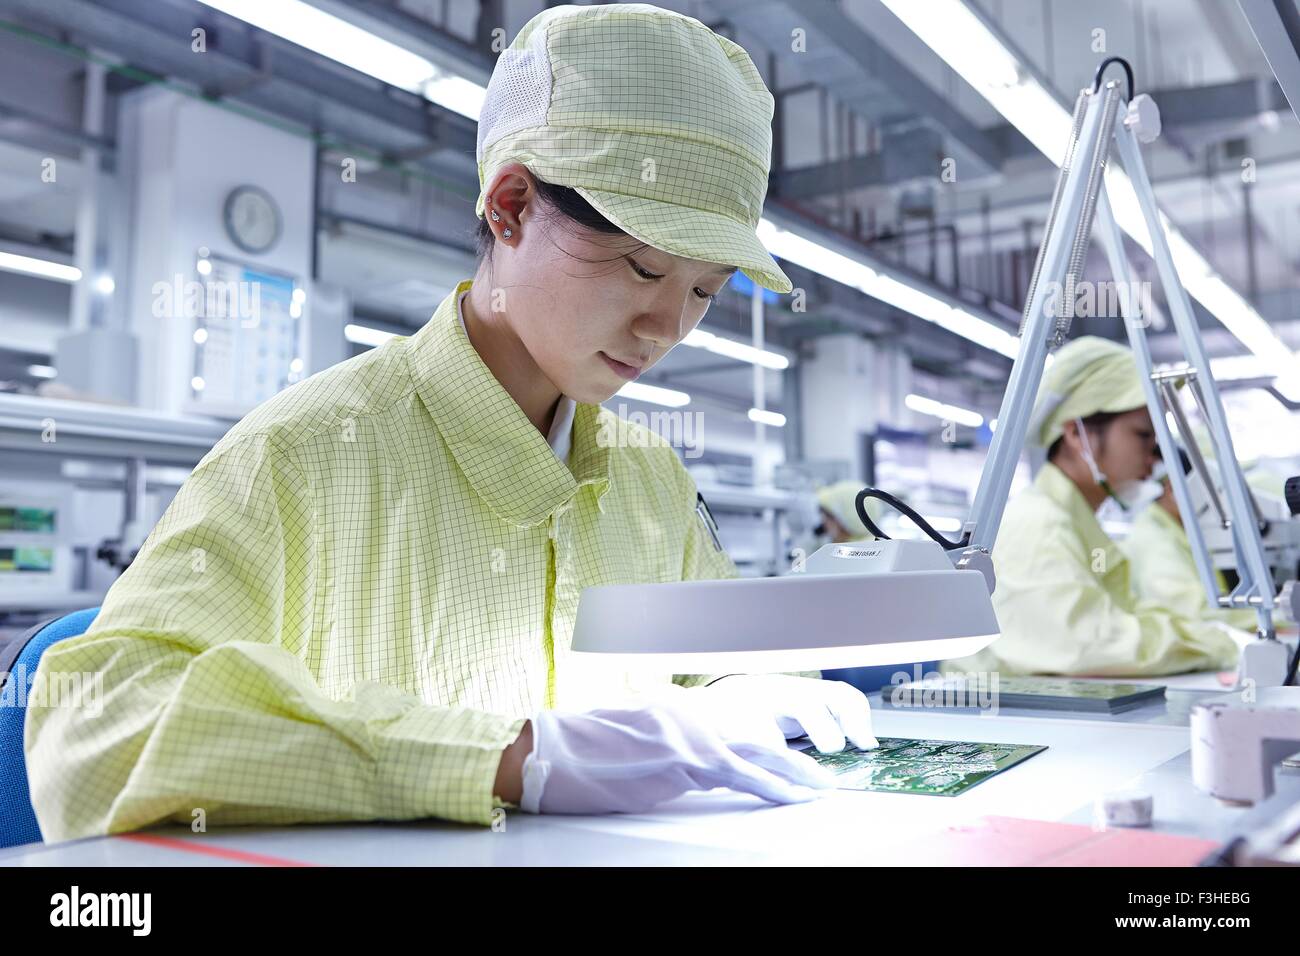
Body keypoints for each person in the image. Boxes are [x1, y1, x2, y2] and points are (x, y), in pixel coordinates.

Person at [25, 3, 876, 842]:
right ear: (509, 206)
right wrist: (509, 759)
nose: (667, 329)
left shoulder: (649, 480)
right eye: (642, 266)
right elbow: (94, 726)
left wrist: (741, 687)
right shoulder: (308, 454)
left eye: (703, 292)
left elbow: (724, 655)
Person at [947, 336, 1242, 677]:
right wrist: (1219, 644)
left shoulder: (1075, 520)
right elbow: (1091, 643)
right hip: (988, 725)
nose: (1155, 457)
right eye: (1143, 435)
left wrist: (1208, 638)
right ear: (1077, 434)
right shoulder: (1038, 524)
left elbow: (1123, 618)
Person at [1124, 451, 1259, 633]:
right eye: (1207, 495)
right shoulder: (1154, 539)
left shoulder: (1179, 529)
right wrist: (1271, 616)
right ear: (1173, 490)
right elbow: (1194, 611)